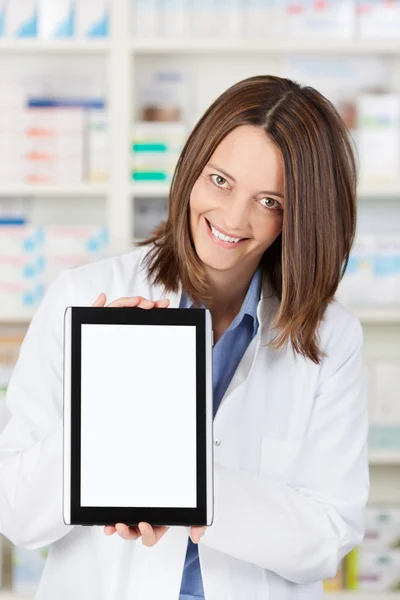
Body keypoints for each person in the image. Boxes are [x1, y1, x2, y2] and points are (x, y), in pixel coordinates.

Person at [0, 75, 369, 600]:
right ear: (193, 169)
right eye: (220, 180)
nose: (232, 217)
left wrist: (187, 489)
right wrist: (101, 404)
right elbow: (16, 511)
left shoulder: (332, 337)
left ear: (300, 218)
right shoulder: (83, 297)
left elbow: (330, 534)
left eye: (269, 201)